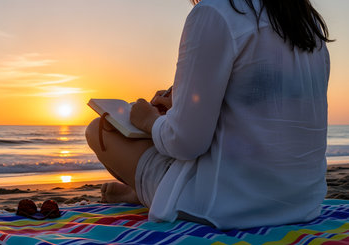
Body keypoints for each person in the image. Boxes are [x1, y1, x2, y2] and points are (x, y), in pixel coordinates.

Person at [85, 0, 332, 229]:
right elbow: (266, 116)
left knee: (99, 129)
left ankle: (148, 194)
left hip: (227, 206)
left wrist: (149, 120)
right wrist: (180, 106)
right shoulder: (306, 24)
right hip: (302, 203)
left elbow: (186, 143)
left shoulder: (215, 12)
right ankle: (141, 192)